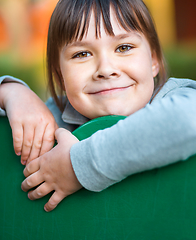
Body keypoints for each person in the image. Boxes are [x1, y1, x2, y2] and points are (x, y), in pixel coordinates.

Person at [1, 0, 196, 212]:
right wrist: (12, 92)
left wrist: (77, 165)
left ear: (153, 61)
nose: (105, 69)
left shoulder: (174, 98)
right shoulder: (55, 120)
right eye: (82, 54)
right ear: (60, 76)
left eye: (124, 47)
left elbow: (187, 121)